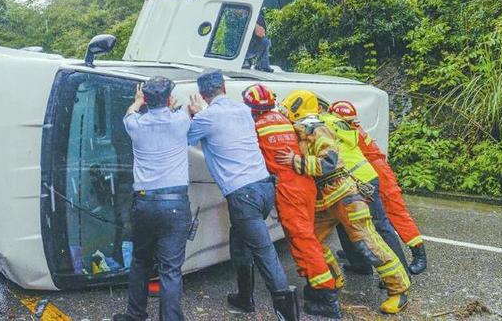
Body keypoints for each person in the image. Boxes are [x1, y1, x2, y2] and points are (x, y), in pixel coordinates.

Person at [277, 90, 411, 316]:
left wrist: (297, 162)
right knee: (311, 242)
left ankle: (399, 289)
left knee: (367, 242)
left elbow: (330, 162)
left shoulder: (317, 129)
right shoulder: (302, 130)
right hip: (326, 201)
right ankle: (333, 278)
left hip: (344, 195)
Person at [187, 69, 298, 320]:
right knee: (239, 241)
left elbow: (185, 138)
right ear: (224, 88)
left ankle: (286, 313)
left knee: (264, 251)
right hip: (264, 187)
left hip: (242, 195)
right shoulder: (243, 111)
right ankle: (244, 298)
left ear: (203, 95)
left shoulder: (206, 118)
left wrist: (195, 115)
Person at [241, 84, 336, 318]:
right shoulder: (284, 119)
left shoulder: (255, 126)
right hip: (305, 182)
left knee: (303, 240)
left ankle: (328, 296)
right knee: (308, 236)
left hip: (288, 188)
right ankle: (317, 286)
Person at [114, 77, 192, 321]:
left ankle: (135, 315)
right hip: (175, 204)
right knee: (170, 270)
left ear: (145, 99)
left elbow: (130, 112)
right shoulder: (181, 121)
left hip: (145, 203)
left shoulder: (134, 124)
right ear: (169, 99)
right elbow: (183, 111)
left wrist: (137, 103)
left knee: (140, 261)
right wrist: (170, 107)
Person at [329, 100, 427, 274]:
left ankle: (418, 252)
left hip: (377, 170)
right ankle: (358, 256)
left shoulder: (344, 129)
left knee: (394, 213)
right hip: (370, 169)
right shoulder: (351, 127)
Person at [318, 110, 411, 278]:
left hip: (357, 180)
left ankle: (401, 272)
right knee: (344, 222)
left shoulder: (316, 128)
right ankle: (360, 264)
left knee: (379, 226)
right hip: (363, 176)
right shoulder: (334, 121)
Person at [202, 0, 273, 72]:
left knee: (262, 38)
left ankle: (261, 63)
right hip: (236, 11)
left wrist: (253, 22)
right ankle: (244, 60)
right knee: (233, 35)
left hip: (245, 9)